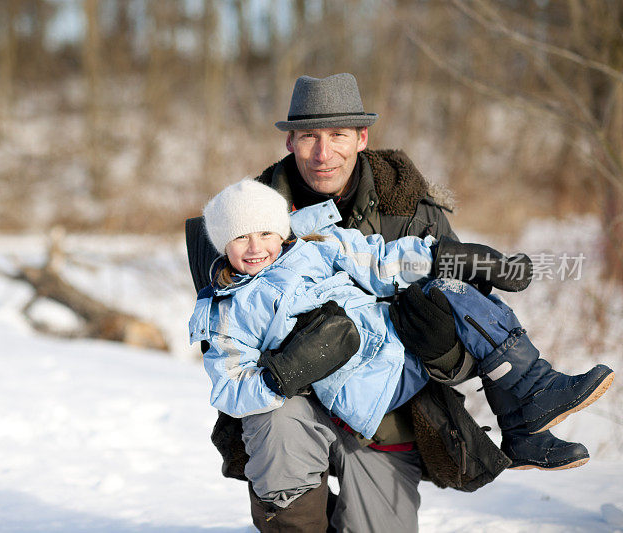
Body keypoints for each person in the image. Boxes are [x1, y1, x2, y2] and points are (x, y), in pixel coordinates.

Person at [181, 73, 595, 532]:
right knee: (277, 425)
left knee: (451, 289)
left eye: (338, 135)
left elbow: (394, 268)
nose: (323, 153)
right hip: (291, 408)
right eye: (309, 137)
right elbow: (226, 364)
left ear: (361, 137)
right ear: (290, 140)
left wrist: (442, 346)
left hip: (387, 409)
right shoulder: (240, 216)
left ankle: (529, 408)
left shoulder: (408, 212)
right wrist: (291, 366)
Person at [190, 178, 614, 478]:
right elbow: (228, 387)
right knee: (457, 304)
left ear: (281, 231)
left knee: (457, 291)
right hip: (367, 388)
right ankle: (535, 396)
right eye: (241, 237)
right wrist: (282, 375)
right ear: (223, 243)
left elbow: (380, 261)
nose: (255, 247)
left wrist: (445, 256)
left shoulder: (314, 248)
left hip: (399, 344)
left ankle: (526, 425)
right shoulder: (226, 309)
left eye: (265, 232)